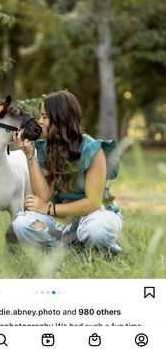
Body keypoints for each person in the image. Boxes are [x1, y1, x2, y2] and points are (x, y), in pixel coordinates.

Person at [11, 91, 123, 253]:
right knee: (21, 225)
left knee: (97, 231)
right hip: (64, 218)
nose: (40, 122)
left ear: (60, 119)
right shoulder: (48, 148)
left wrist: (48, 209)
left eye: (44, 117)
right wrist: (30, 155)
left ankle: (96, 243)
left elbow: (92, 203)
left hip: (96, 214)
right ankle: (69, 250)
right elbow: (44, 196)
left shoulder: (93, 149)